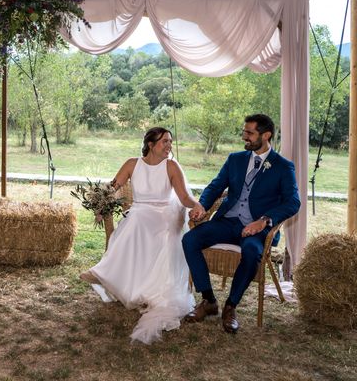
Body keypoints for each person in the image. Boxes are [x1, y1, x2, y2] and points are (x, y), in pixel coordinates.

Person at [80, 127, 201, 344]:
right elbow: (113, 187)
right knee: (133, 221)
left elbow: (183, 197)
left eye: (170, 142)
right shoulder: (132, 164)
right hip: (139, 210)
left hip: (164, 214)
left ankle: (115, 277)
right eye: (165, 141)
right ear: (151, 144)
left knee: (138, 223)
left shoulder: (172, 166)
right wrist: (101, 203)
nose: (169, 146)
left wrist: (197, 204)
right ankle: (104, 273)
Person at [182, 113, 300, 333]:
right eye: (244, 131)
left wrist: (264, 220)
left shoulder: (283, 167)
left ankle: (231, 306)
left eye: (249, 133)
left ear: (266, 135)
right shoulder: (235, 159)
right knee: (190, 239)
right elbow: (215, 186)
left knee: (251, 252)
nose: (244, 136)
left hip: (256, 229)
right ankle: (208, 300)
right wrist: (202, 205)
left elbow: (293, 202)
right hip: (228, 222)